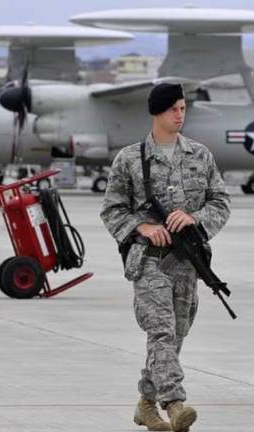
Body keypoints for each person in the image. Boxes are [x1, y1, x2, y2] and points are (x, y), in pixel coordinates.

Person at [100, 83, 230, 431]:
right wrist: (141, 227)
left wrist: (195, 218)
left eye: (183, 108)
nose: (180, 115)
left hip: (187, 260)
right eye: (174, 108)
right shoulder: (130, 158)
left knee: (176, 333)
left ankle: (145, 403)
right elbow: (112, 210)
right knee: (160, 331)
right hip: (148, 260)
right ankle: (174, 402)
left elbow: (220, 202)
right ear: (157, 112)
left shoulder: (200, 155)